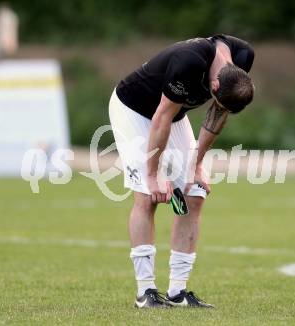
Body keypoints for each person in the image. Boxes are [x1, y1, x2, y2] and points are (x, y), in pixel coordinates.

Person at [109, 34, 255, 308]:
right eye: (216, 97)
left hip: (171, 115)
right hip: (134, 109)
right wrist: (153, 175)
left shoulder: (242, 59)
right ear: (214, 83)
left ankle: (178, 292)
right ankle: (146, 292)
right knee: (146, 195)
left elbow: (218, 111)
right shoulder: (189, 62)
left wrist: (195, 165)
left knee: (195, 191)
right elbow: (161, 116)